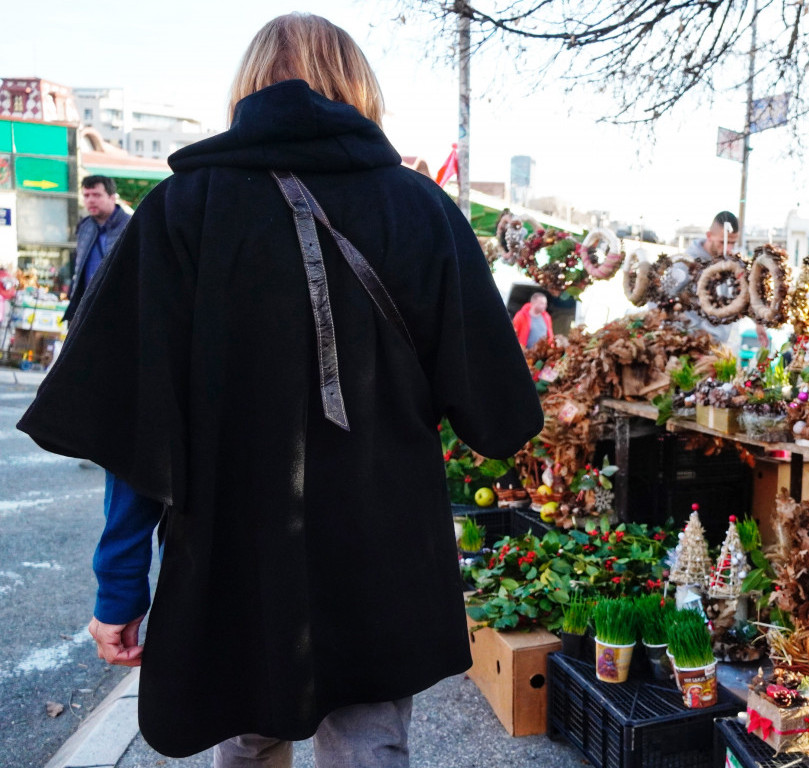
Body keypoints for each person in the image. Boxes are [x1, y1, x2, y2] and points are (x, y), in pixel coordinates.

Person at [19, 13, 543, 766]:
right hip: (385, 548)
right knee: (370, 746)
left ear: (248, 87)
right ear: (359, 87)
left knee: (248, 733)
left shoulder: (182, 210)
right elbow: (496, 416)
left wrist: (120, 585)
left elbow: (135, 426)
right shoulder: (421, 208)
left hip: (237, 553)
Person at [673, 210, 768, 349]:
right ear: (709, 235)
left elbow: (742, 297)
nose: (728, 248)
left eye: (732, 243)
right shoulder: (685, 264)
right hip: (692, 345)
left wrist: (758, 323)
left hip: (722, 346)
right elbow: (660, 301)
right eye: (723, 242)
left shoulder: (731, 264)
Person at [65, 175, 131, 323]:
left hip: (118, 309)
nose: (90, 200)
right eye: (86, 195)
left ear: (112, 197)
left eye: (96, 195)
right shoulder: (85, 226)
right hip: (85, 308)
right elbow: (79, 268)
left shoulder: (130, 225)